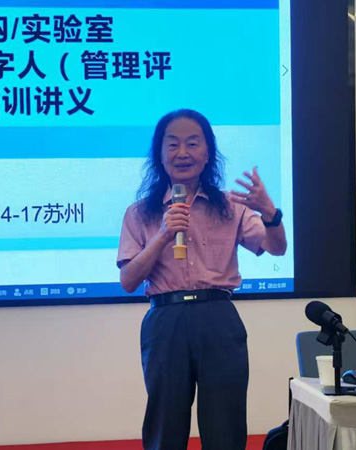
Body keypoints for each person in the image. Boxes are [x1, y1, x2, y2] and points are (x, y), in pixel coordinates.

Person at [117, 109, 287, 450]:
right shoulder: (140, 212)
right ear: (160, 153)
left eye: (193, 143)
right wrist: (163, 235)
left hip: (218, 317)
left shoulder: (231, 206)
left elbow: (276, 248)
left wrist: (270, 213)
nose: (183, 152)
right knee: (165, 425)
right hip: (165, 320)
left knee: (225, 425)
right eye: (173, 144)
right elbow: (128, 280)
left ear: (208, 153)